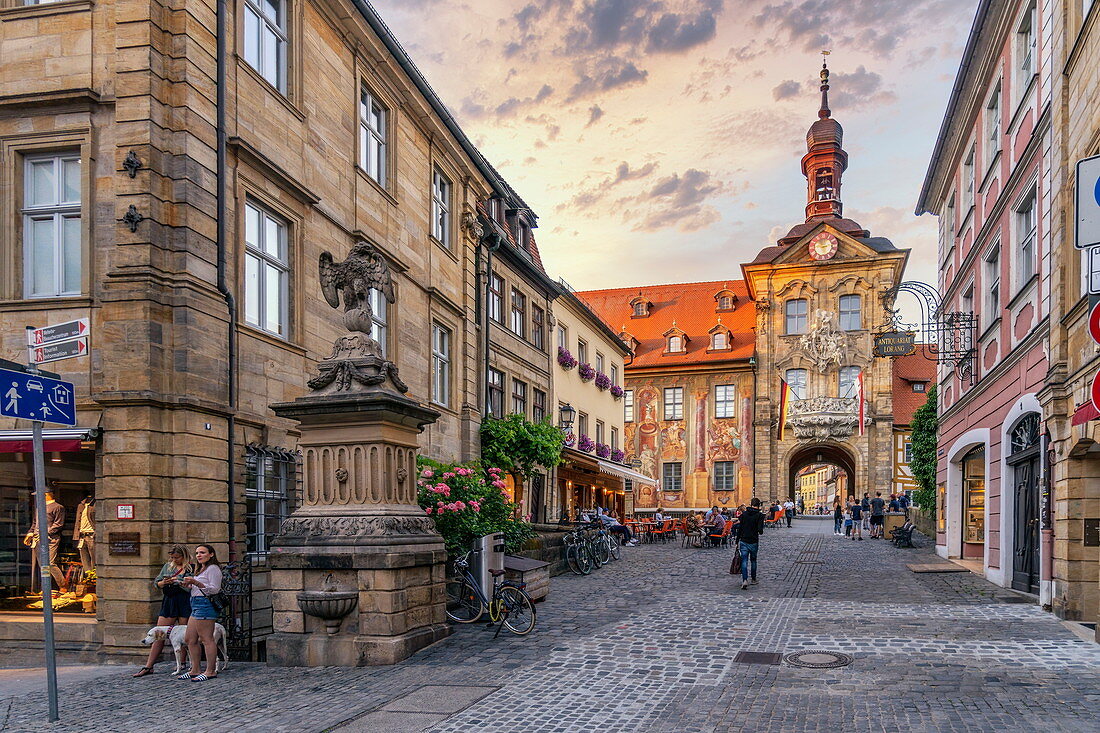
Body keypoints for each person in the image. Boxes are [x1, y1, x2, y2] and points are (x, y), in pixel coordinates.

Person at [133, 545, 192, 678]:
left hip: (185, 601)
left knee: (185, 635)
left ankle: (182, 663)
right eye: (172, 557)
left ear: (184, 556)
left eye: (177, 557)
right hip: (170, 601)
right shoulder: (168, 566)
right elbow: (156, 583)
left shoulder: (191, 568)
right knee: (158, 633)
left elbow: (193, 585)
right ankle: (149, 666)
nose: (174, 560)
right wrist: (164, 583)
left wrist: (179, 581)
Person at [179, 544, 223, 681]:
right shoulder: (200, 569)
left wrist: (196, 583)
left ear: (211, 554)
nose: (199, 555)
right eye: (197, 553)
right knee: (189, 639)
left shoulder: (213, 569)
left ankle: (210, 671)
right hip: (195, 603)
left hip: (205, 604)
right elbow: (198, 587)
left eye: (202, 552)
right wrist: (188, 585)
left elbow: (215, 589)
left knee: (206, 639)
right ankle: (195, 669)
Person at [24, 490, 67, 595]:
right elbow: (35, 523)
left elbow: (58, 524)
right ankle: (45, 587)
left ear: (46, 495)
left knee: (50, 563)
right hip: (38, 539)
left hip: (50, 539)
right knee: (42, 565)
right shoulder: (39, 508)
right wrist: (30, 534)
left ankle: (63, 585)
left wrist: (45, 533)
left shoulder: (58, 507)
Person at [733, 498, 765, 590]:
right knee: (753, 560)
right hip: (754, 541)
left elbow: (740, 528)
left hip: (744, 540)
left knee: (744, 561)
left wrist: (737, 541)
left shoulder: (744, 514)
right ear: (758, 505)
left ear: (751, 504)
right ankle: (754, 579)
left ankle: (745, 580)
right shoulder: (759, 515)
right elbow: (760, 531)